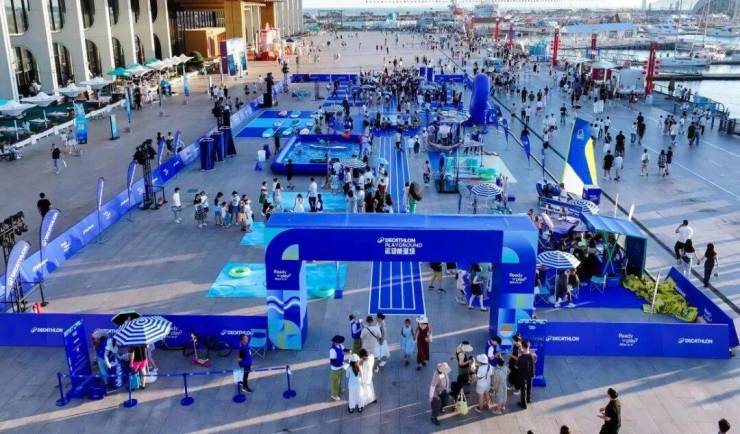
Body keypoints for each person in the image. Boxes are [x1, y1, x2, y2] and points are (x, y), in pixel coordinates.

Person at [517, 340, 536, 409]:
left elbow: (517, 365)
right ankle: (528, 399)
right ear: (529, 346)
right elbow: (534, 362)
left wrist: (519, 355)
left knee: (523, 390)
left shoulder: (521, 358)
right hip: (530, 374)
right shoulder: (532, 355)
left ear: (522, 347)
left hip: (523, 376)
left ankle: (523, 404)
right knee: (529, 387)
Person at [328, 335, 346, 401]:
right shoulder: (332, 350)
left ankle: (339, 390)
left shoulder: (340, 345)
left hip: (340, 366)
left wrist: (349, 350)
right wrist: (341, 363)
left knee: (340, 380)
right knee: (335, 382)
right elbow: (332, 361)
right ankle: (334, 395)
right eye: (340, 342)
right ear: (336, 342)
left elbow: (344, 349)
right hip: (335, 369)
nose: (341, 343)